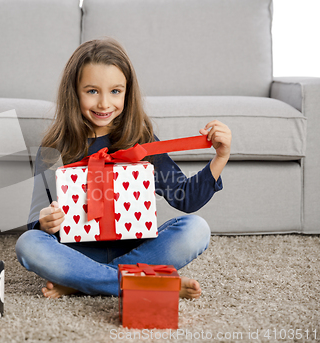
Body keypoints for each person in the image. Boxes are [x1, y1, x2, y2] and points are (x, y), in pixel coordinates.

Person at [16, 38, 232, 299]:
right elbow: (34, 225)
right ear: (73, 91)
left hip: (138, 250)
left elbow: (185, 198)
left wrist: (220, 157)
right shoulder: (54, 149)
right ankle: (143, 281)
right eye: (92, 91)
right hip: (78, 252)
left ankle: (84, 281)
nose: (104, 104)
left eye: (115, 91)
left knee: (196, 229)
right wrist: (45, 222)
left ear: (128, 92)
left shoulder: (141, 139)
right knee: (29, 244)